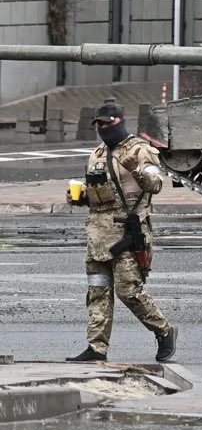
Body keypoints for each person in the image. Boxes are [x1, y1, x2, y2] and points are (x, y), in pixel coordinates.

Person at [66, 99, 178, 362]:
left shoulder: (140, 150)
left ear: (120, 120)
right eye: (100, 124)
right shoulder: (96, 154)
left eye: (108, 122)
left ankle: (164, 330)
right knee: (98, 292)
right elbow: (95, 193)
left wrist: (135, 168)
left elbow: (155, 185)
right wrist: (80, 197)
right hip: (97, 237)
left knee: (129, 291)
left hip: (128, 234)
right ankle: (97, 348)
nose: (103, 127)